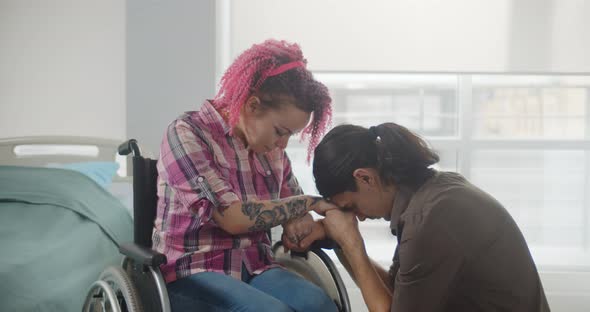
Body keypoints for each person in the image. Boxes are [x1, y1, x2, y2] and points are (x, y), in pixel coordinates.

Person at [152, 39, 339, 312]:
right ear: (252, 106)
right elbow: (232, 218)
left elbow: (293, 208)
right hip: (192, 272)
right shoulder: (187, 134)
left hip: (256, 267)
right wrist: (308, 203)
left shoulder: (271, 151)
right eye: (280, 131)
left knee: (320, 305)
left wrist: (299, 223)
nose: (283, 145)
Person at [285, 122, 550, 312]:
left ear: (365, 178)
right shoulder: (431, 194)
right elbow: (399, 294)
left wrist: (352, 243)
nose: (359, 218)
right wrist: (339, 241)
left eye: (351, 206)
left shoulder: (431, 220)